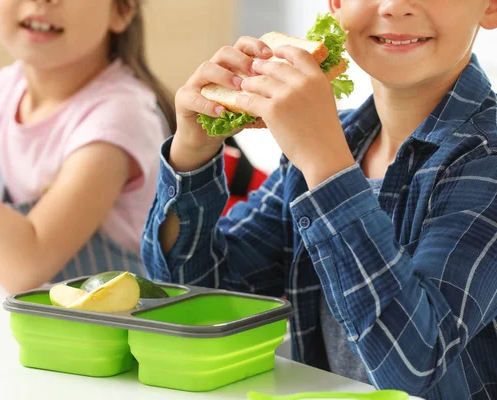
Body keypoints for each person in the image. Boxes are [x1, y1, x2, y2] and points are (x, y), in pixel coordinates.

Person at [141, 1, 497, 399]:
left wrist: (324, 162)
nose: (396, 5)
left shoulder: (486, 159)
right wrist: (192, 153)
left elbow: (415, 363)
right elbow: (197, 294)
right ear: (337, 5)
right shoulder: (334, 137)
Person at [0, 0, 174, 293]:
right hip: (39, 325)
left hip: (118, 330)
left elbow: (25, 266)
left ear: (122, 11)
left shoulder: (120, 115)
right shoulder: (5, 91)